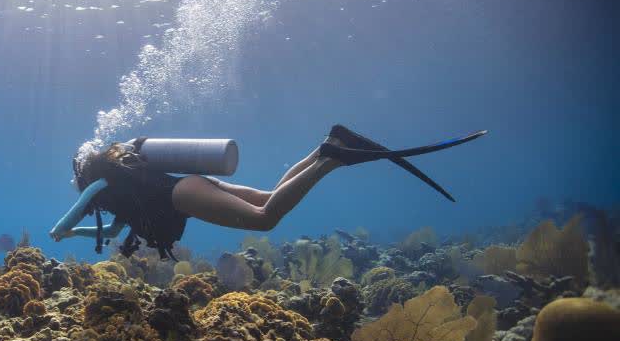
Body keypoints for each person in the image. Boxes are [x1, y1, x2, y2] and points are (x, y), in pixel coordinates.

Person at [49, 125, 486, 261]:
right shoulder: (120, 193)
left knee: (265, 218)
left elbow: (70, 216)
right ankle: (325, 146)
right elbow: (110, 231)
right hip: (189, 186)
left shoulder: (101, 187)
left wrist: (60, 232)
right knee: (269, 195)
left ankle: (334, 158)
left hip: (182, 197)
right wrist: (78, 237)